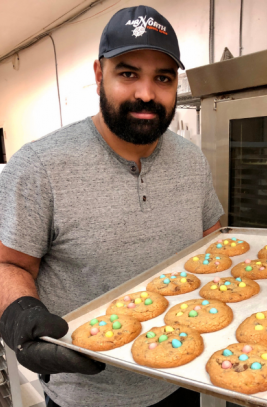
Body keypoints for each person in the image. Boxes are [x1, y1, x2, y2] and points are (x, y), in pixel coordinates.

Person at [0, 5, 223, 407]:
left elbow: (212, 247)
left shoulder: (192, 161)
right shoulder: (40, 166)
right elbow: (8, 263)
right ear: (99, 74)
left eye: (163, 78)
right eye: (127, 73)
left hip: (181, 380)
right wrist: (20, 313)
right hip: (86, 395)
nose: (146, 93)